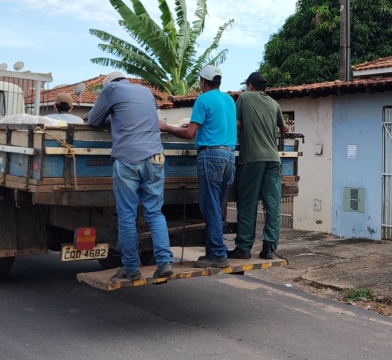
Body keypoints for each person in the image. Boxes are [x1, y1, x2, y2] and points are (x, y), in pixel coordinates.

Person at [88, 71, 174, 281]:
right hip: (155, 157)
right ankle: (164, 262)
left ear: (109, 84)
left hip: (128, 159)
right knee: (154, 212)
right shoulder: (146, 91)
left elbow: (94, 120)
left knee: (127, 215)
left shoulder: (110, 89)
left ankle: (131, 268)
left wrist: (111, 119)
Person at [159, 66, 236, 268]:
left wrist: (167, 127)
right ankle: (213, 252)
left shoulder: (203, 100)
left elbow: (190, 134)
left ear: (203, 81)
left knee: (209, 206)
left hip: (211, 155)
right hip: (229, 156)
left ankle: (218, 255)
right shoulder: (229, 100)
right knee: (216, 206)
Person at [228, 72, 288, 260]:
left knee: (248, 204)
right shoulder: (274, 103)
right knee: (273, 205)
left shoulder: (244, 98)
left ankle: (244, 249)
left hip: (252, 158)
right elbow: (284, 128)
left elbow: (236, 123)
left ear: (250, 86)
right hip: (273, 158)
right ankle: (269, 248)